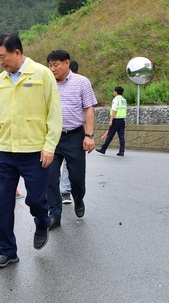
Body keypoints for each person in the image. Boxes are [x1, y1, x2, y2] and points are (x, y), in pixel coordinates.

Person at [0, 33, 62, 268]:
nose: (0, 61)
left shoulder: (42, 74)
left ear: (17, 52)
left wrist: (49, 147)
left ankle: (42, 220)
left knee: (37, 200)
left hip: (35, 153)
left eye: (3, 56)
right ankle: (7, 251)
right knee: (4, 204)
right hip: (8, 152)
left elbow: (54, 113)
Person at [46, 50, 97, 230]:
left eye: (56, 65)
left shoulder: (82, 82)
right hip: (51, 137)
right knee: (50, 177)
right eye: (50, 65)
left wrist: (88, 136)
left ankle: (78, 198)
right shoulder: (46, 83)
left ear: (67, 63)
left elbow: (88, 109)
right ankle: (54, 214)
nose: (52, 69)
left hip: (74, 136)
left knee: (76, 178)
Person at [60, 59, 79, 205]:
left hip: (73, 133)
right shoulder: (50, 84)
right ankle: (60, 193)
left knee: (68, 165)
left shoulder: (80, 83)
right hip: (54, 134)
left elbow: (88, 109)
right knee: (52, 167)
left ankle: (65, 192)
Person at [96, 86, 127, 156]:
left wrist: (111, 120)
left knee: (110, 135)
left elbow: (114, 110)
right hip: (122, 120)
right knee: (121, 136)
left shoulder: (116, 100)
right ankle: (122, 151)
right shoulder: (123, 100)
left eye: (114, 91)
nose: (114, 92)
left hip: (116, 120)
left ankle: (103, 149)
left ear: (116, 92)